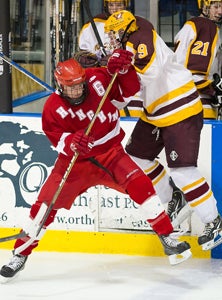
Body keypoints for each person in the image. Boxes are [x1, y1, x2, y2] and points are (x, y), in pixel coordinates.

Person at [0, 50, 192, 282]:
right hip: (74, 163)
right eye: (70, 88)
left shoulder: (98, 80)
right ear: (60, 86)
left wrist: (124, 69)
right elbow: (56, 138)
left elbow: (128, 90)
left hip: (110, 153)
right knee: (45, 207)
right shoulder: (52, 107)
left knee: (141, 183)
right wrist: (71, 142)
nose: (76, 91)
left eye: (79, 85)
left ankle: (167, 237)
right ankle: (20, 253)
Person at [104, 10, 222, 251]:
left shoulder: (141, 37)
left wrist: (126, 67)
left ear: (125, 30)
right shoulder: (133, 36)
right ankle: (173, 197)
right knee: (137, 155)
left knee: (182, 171)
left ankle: (214, 222)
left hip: (180, 107)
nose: (112, 39)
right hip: (156, 112)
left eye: (114, 34)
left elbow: (149, 72)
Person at [78, 0, 143, 117]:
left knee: (133, 112)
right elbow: (84, 53)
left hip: (128, 78)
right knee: (105, 112)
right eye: (111, 5)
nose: (115, 9)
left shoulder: (133, 24)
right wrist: (89, 60)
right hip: (103, 80)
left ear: (125, 5)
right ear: (105, 6)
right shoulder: (92, 26)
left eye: (119, 5)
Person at [174, 0, 222, 119]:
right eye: (215, 7)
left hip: (183, 99)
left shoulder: (192, 25)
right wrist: (213, 90)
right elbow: (195, 72)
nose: (220, 11)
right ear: (204, 6)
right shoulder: (206, 26)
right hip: (198, 101)